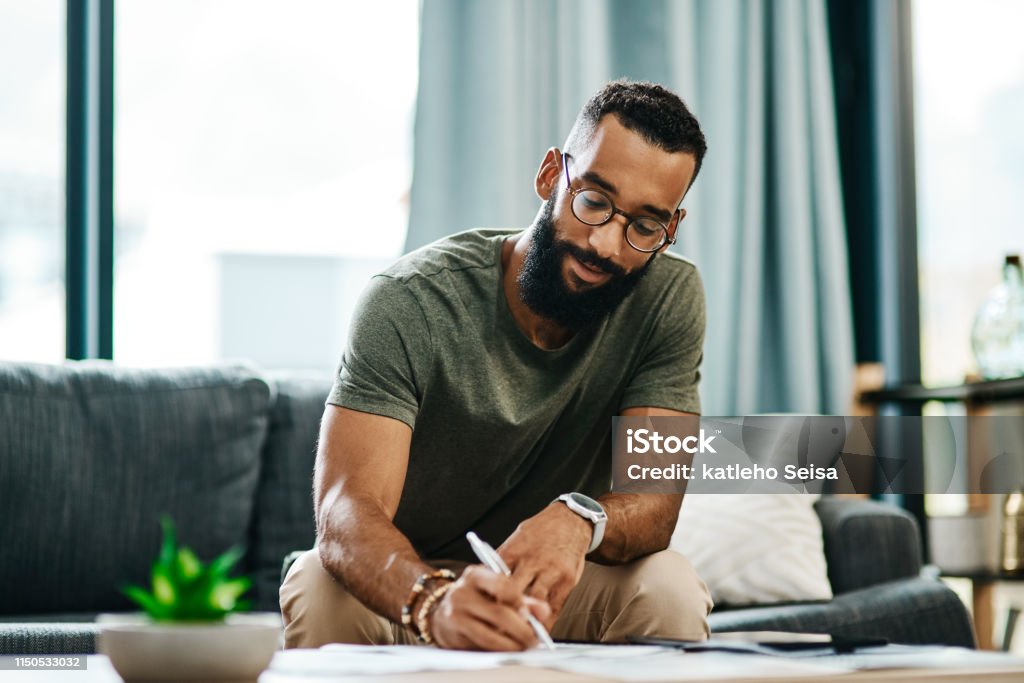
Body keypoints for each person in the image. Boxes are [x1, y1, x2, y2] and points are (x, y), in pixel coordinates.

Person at [280, 80, 713, 651]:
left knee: (668, 585)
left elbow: (654, 504)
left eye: (644, 226)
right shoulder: (409, 300)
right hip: (409, 582)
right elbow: (345, 511)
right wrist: (432, 602)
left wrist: (579, 518)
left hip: (544, 591)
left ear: (671, 229)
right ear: (550, 176)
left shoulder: (668, 297)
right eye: (593, 201)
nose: (607, 245)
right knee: (318, 581)